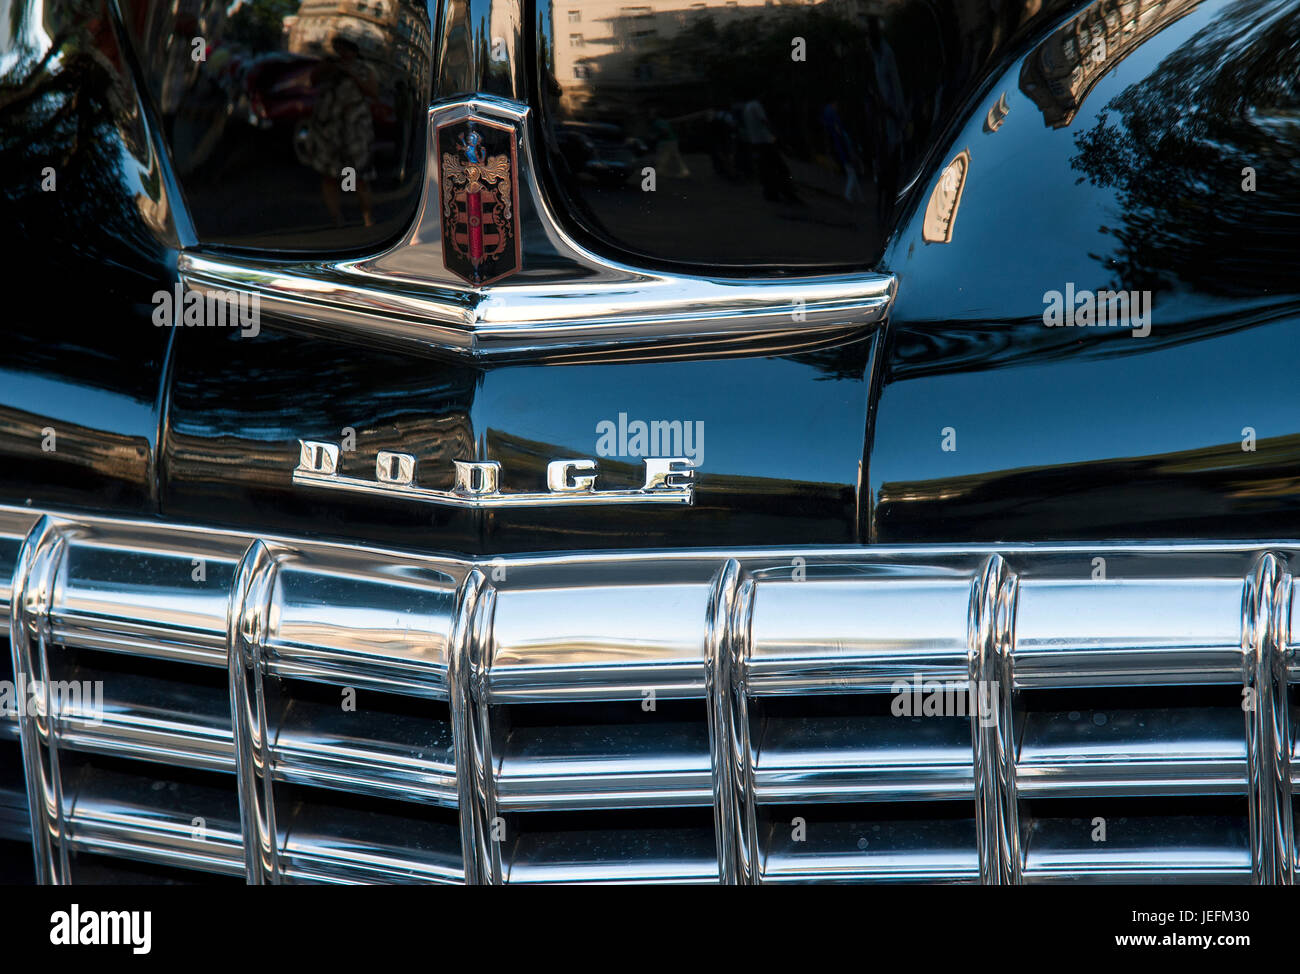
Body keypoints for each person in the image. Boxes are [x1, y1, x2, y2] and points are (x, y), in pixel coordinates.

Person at [301, 36, 377, 226]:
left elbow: (373, 93)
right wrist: (329, 68)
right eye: (339, 49)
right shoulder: (329, 65)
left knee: (356, 174)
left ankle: (367, 218)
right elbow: (312, 80)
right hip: (329, 127)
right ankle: (337, 220)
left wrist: (352, 74)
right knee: (330, 174)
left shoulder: (364, 69)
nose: (343, 54)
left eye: (347, 50)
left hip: (354, 128)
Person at [821, 99, 863, 202]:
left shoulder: (829, 116)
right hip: (844, 149)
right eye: (836, 106)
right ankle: (848, 195)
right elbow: (837, 130)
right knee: (851, 173)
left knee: (852, 174)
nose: (837, 108)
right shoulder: (832, 117)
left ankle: (859, 197)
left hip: (842, 148)